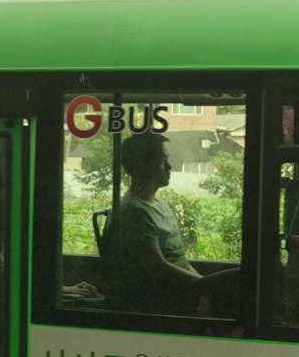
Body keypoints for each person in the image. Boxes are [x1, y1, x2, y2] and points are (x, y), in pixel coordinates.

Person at [99, 133, 239, 315]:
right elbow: (158, 268)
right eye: (162, 160)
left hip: (182, 288)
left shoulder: (159, 204)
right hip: (162, 295)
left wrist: (204, 284)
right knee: (241, 277)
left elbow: (179, 260)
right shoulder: (134, 212)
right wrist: (204, 286)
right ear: (141, 165)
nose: (169, 167)